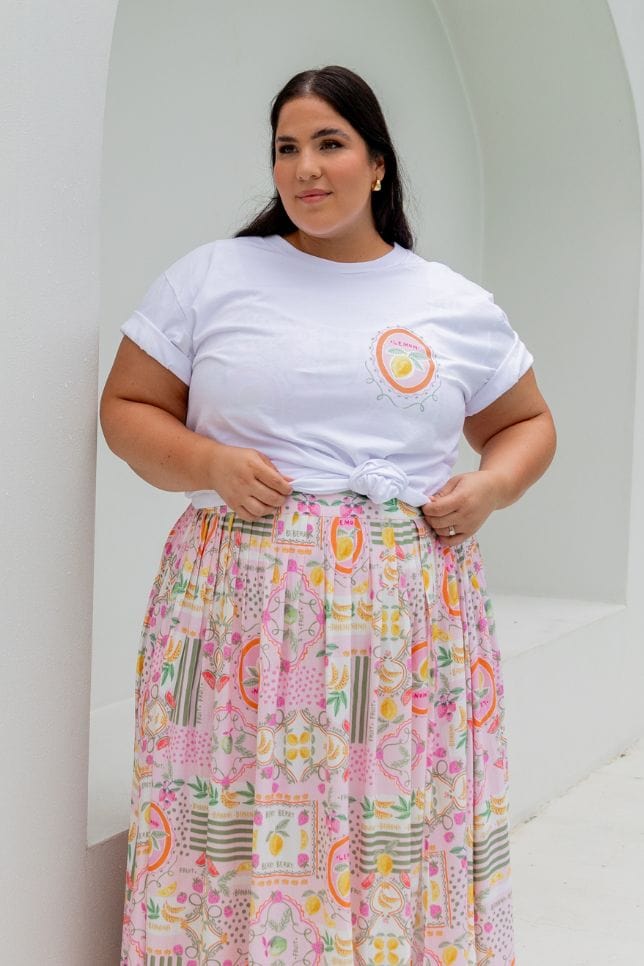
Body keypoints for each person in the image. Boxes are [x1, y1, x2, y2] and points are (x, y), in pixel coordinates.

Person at [101, 64, 556, 966]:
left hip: (405, 622)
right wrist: (207, 462)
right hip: (239, 614)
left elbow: (527, 423)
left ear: (378, 165)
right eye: (287, 148)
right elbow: (126, 408)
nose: (306, 168)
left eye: (330, 144)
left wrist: (492, 486)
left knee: (390, 820)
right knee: (232, 808)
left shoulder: (450, 304)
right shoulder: (213, 278)